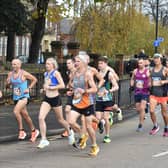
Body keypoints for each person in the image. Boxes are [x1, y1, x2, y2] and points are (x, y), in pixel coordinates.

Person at [37, 57, 75, 148]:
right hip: (47, 99)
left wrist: (50, 87)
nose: (47, 65)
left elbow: (62, 85)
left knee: (60, 119)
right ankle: (43, 139)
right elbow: (46, 85)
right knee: (41, 117)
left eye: (49, 64)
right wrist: (44, 89)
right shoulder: (46, 74)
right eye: (46, 64)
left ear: (53, 65)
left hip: (55, 99)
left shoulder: (56, 73)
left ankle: (70, 132)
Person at [68, 54, 99, 156]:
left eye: (78, 61)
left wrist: (84, 91)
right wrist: (71, 92)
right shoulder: (73, 74)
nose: (75, 63)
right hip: (76, 103)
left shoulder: (87, 74)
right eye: (75, 61)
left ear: (83, 62)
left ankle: (94, 146)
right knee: (71, 121)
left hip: (87, 103)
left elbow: (94, 89)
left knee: (89, 127)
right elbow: (73, 86)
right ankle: (82, 134)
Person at [6, 59, 39, 142]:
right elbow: (7, 86)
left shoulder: (23, 73)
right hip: (16, 97)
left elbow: (34, 79)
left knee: (16, 111)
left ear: (20, 65)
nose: (14, 66)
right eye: (13, 64)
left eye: (16, 64)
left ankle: (21, 131)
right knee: (25, 115)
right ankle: (34, 131)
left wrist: (29, 88)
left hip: (24, 96)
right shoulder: (10, 74)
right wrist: (8, 83)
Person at [95, 56, 119, 143]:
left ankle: (107, 136)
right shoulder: (97, 74)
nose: (99, 65)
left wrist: (108, 91)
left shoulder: (109, 74)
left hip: (108, 100)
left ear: (106, 64)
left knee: (105, 117)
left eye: (101, 63)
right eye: (98, 63)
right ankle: (101, 123)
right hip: (99, 99)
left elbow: (116, 86)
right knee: (98, 118)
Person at [149, 53, 168, 136]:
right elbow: (150, 80)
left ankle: (166, 127)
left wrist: (164, 81)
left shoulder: (165, 69)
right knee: (151, 111)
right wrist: (150, 84)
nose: (156, 60)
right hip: (153, 93)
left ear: (161, 60)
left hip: (163, 94)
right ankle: (155, 126)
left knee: (164, 114)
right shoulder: (151, 70)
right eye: (155, 58)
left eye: (157, 58)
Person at [130, 58, 151, 132]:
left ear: (144, 63)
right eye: (139, 63)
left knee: (142, 108)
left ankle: (140, 125)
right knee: (138, 109)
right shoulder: (135, 71)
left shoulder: (147, 71)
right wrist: (131, 85)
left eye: (141, 63)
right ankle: (144, 111)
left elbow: (150, 80)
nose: (140, 64)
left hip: (145, 92)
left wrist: (149, 86)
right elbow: (132, 78)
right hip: (137, 92)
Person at [61, 58, 76, 137]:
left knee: (82, 114)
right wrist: (68, 89)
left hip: (79, 95)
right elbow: (70, 83)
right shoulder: (68, 72)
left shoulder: (77, 72)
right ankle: (68, 129)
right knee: (67, 110)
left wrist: (73, 90)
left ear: (74, 64)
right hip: (71, 94)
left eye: (69, 63)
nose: (67, 65)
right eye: (67, 63)